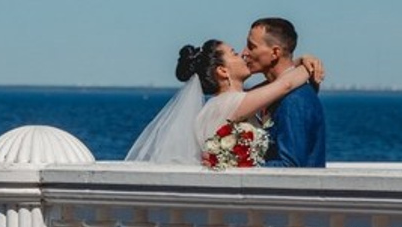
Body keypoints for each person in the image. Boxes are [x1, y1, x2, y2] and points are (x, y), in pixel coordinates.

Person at [126, 39, 323, 166]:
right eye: (235, 53)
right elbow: (285, 85)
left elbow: (275, 84)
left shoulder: (224, 103)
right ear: (222, 71)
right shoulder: (228, 105)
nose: (244, 56)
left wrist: (296, 62)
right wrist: (310, 66)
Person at [242, 18, 326, 167]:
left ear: (275, 52)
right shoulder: (272, 93)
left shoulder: (294, 100)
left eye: (251, 46)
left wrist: (241, 167)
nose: (244, 53)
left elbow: (290, 166)